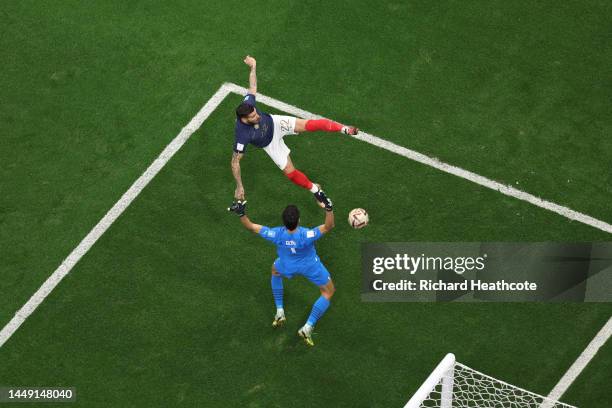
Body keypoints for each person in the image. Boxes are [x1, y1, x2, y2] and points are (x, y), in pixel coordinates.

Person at [231, 55, 358, 209]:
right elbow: (235, 162)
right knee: (290, 173)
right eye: (253, 116)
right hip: (270, 144)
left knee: (309, 125)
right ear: (244, 119)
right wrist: (239, 186)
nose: (257, 116)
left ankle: (344, 129)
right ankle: (316, 189)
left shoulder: (249, 105)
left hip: (276, 123)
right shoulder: (242, 134)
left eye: (256, 113)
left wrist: (253, 67)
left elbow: (252, 88)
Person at [228, 198, 336, 347]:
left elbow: (251, 227)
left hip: (286, 265)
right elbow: (328, 226)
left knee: (275, 271)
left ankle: (280, 311)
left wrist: (241, 213)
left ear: (283, 222)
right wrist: (328, 209)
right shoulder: (307, 234)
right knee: (328, 292)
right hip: (310, 266)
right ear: (299, 220)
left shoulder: (276, 234)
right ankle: (308, 327)